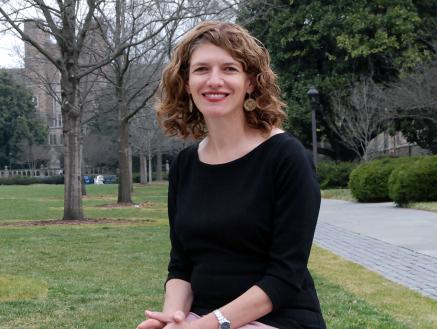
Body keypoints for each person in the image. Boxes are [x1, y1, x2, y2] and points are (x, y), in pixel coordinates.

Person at [136, 21, 325, 329]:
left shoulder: (286, 157)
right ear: (185, 83)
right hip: (202, 318)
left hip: (278, 318)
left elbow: (284, 276)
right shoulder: (185, 165)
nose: (214, 80)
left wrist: (207, 326)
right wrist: (172, 320)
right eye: (201, 70)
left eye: (229, 69)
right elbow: (181, 266)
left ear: (250, 81)